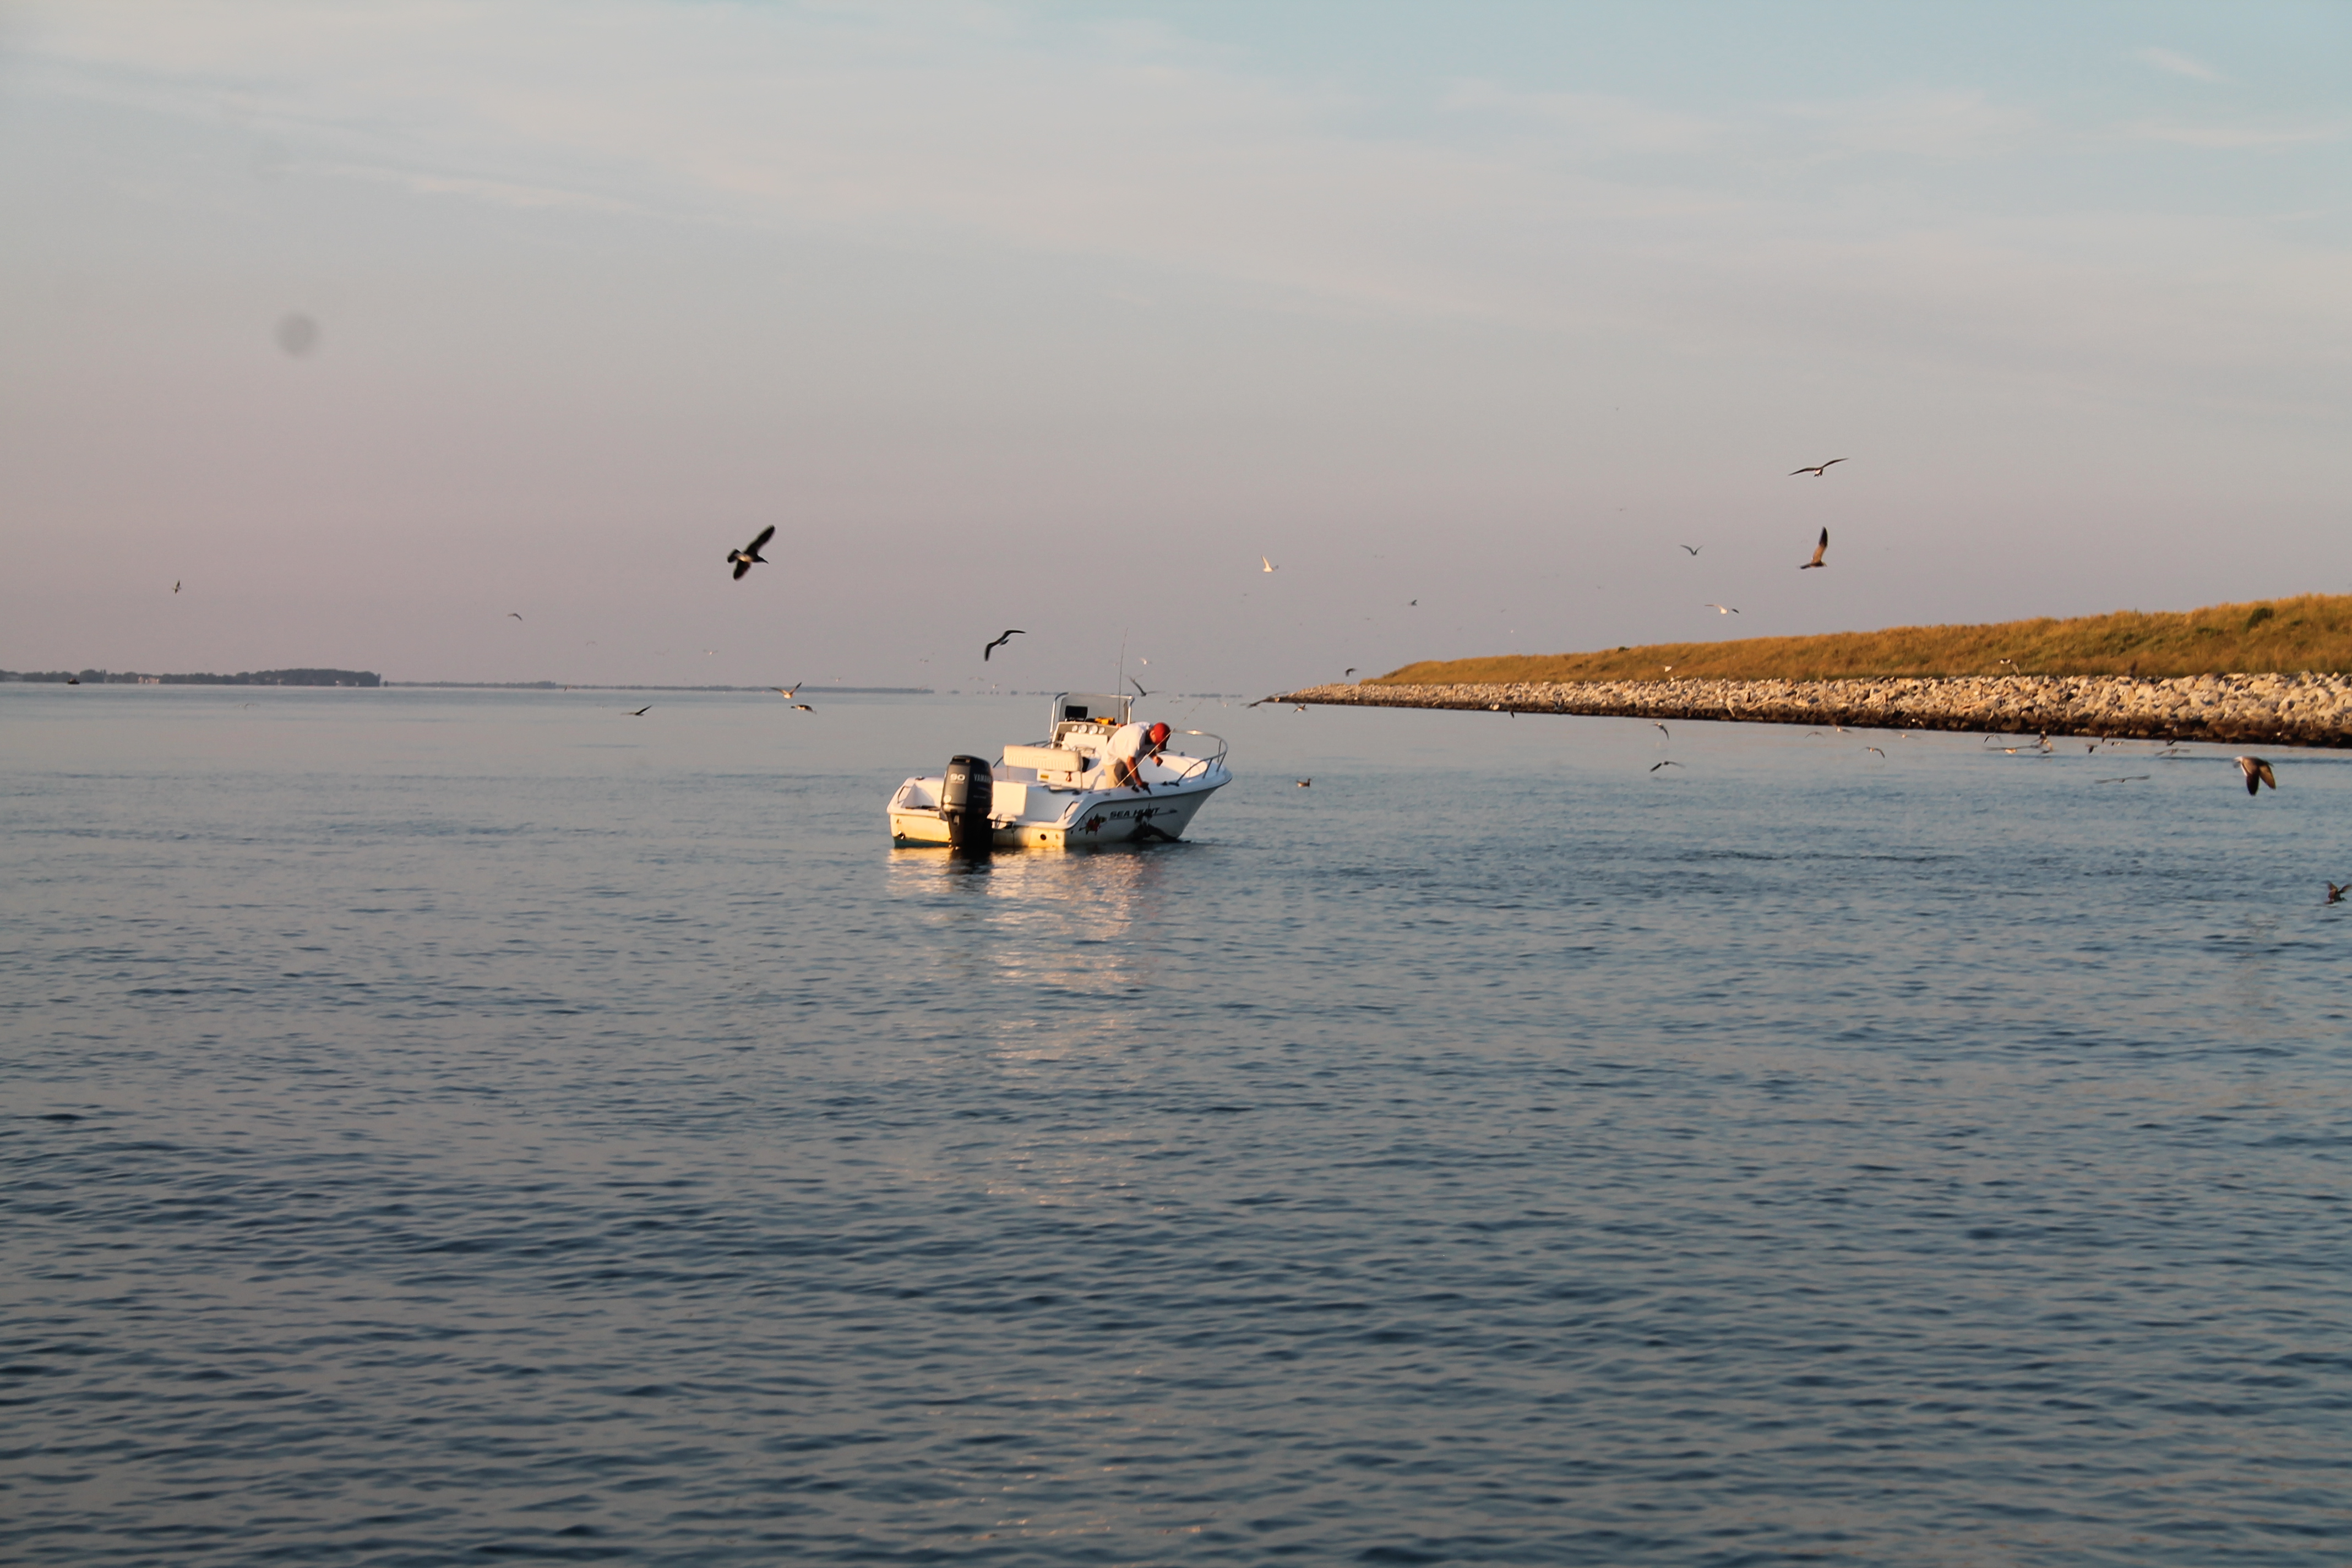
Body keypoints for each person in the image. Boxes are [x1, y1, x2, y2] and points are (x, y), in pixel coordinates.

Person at [1104, 720, 1170, 790]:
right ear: (1152, 733)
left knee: (1130, 788)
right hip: (1114, 757)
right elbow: (1131, 762)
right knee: (1114, 789)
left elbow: (1149, 747)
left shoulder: (1154, 732)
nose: (1157, 744)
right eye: (1157, 742)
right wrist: (1140, 782)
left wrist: (1154, 757)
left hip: (1126, 758)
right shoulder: (1138, 736)